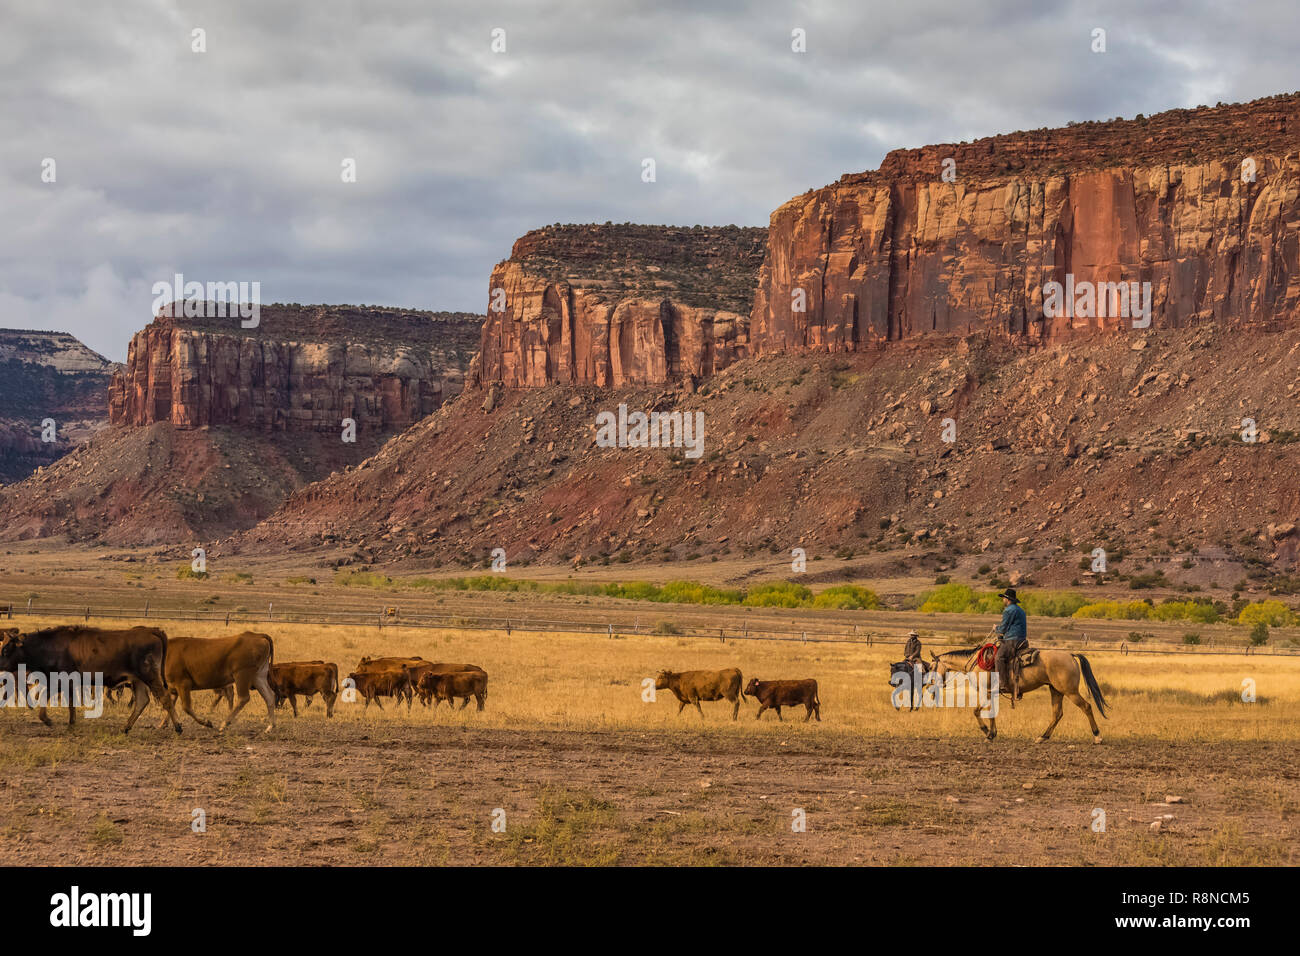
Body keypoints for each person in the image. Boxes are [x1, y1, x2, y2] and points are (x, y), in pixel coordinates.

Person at [994, 588, 1028, 699]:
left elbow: (1003, 628)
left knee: (998, 657)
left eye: (1004, 598)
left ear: (1008, 599)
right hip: (1022, 639)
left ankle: (1002, 684)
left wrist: (996, 628)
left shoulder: (1009, 610)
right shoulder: (1021, 610)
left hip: (1012, 640)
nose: (1003, 599)